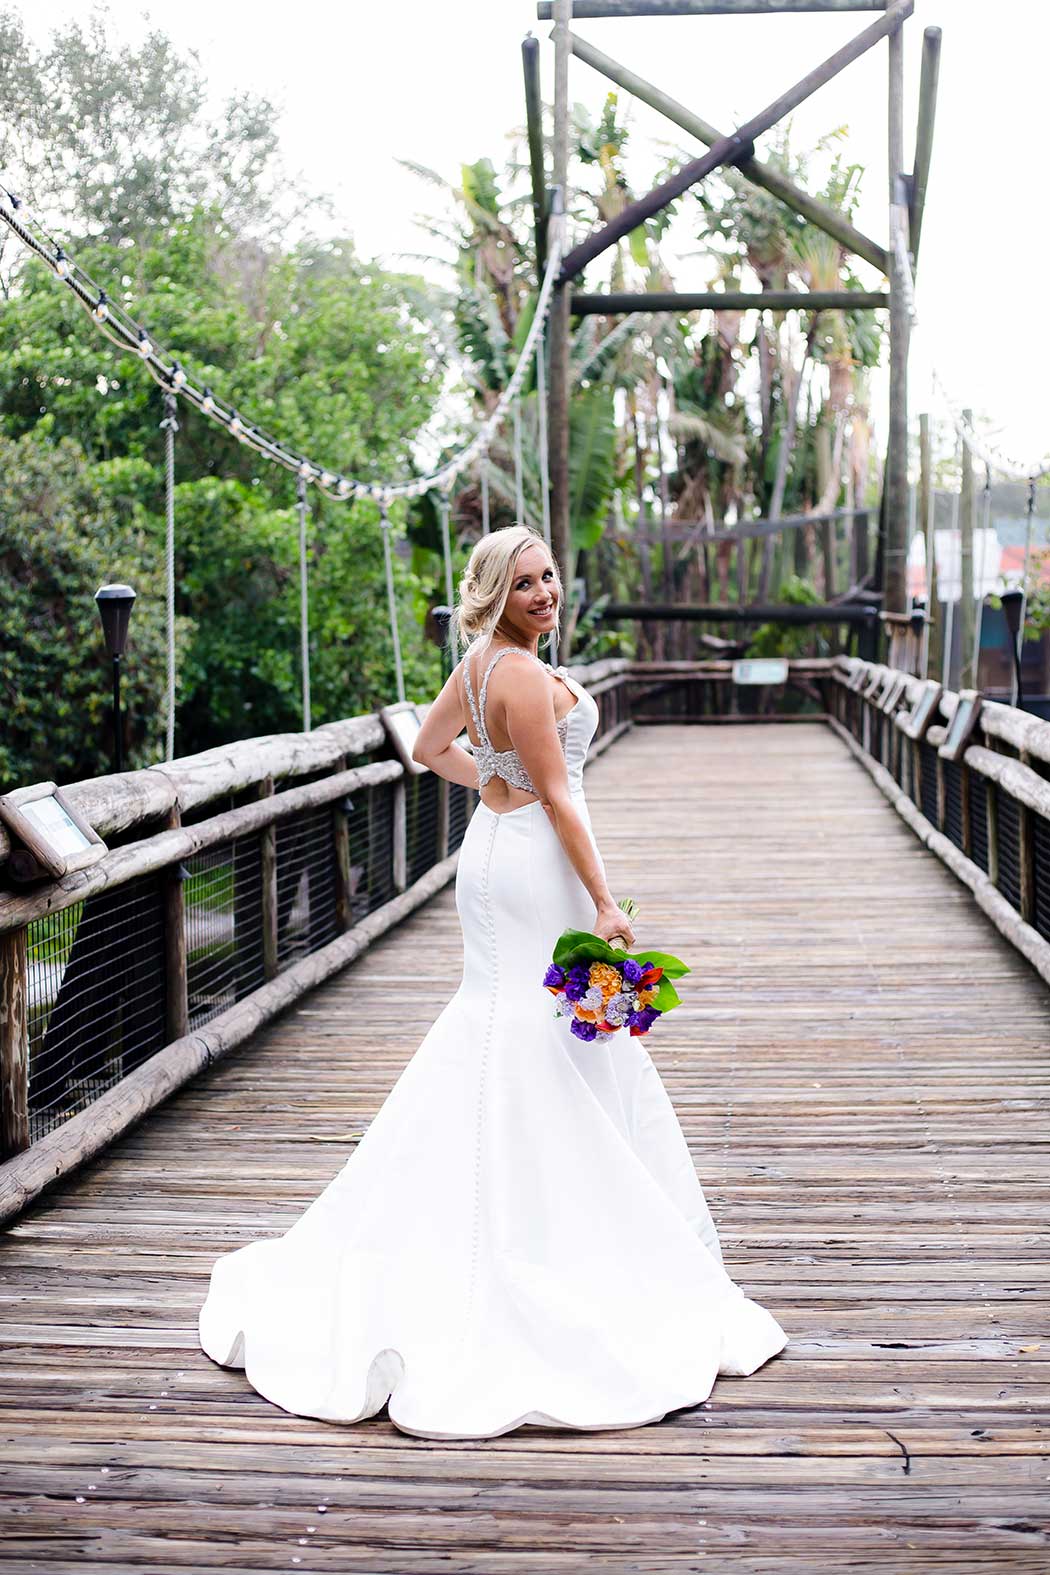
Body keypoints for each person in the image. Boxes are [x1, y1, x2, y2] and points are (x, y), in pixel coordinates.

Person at [198, 524, 787, 1439]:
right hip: (536, 858)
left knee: (508, 1022)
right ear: (494, 594)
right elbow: (559, 793)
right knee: (527, 1028)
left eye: (548, 575)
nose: (545, 592)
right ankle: (529, 1241)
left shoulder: (481, 663)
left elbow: (432, 746)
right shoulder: (514, 672)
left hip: (496, 852)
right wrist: (603, 900)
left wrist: (489, 787)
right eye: (524, 584)